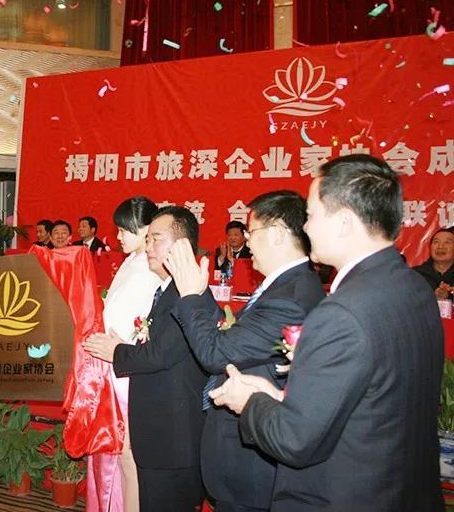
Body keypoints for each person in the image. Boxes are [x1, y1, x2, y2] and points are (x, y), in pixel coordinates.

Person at [212, 155, 445, 511]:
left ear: (344, 222)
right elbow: (368, 402)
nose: (305, 228)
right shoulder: (414, 288)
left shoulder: (340, 313)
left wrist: (249, 401)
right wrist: (278, 398)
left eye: (311, 215)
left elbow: (295, 440)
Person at [165, 191, 325, 512]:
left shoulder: (290, 297)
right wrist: (200, 294)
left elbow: (216, 354)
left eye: (252, 231)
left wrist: (189, 296)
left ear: (277, 232)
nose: (247, 240)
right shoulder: (286, 286)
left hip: (252, 463)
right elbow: (234, 338)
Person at [83, 206, 208, 512]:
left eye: (156, 239)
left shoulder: (188, 295)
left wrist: (115, 350)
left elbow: (161, 353)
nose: (148, 247)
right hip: (157, 429)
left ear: (181, 245)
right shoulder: (166, 290)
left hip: (172, 435)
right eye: (147, 239)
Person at [86, 197, 161, 512]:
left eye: (124, 230)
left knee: (127, 453)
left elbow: (145, 321)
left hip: (127, 367)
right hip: (112, 362)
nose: (118, 236)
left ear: (146, 229)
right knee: (114, 451)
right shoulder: (132, 260)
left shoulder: (152, 266)